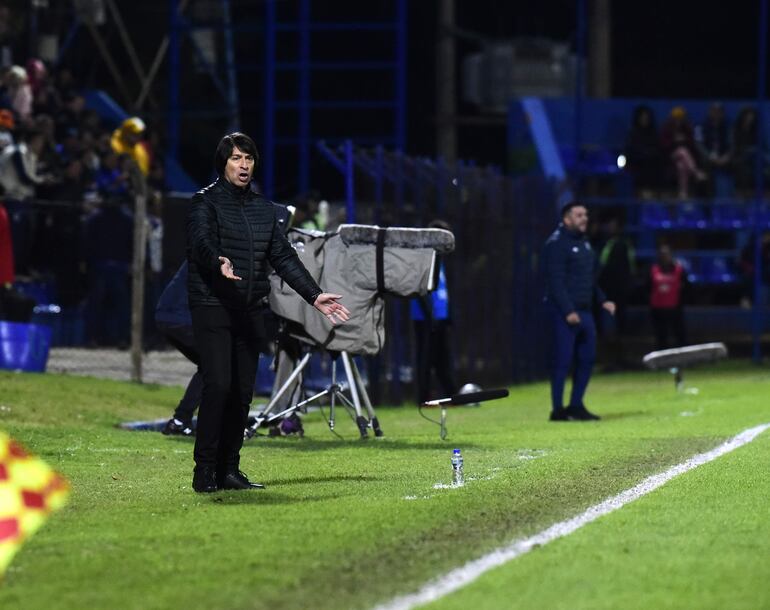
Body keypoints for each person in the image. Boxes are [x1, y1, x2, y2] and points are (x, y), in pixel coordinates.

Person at [186, 132, 349, 493]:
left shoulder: (263, 209)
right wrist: (217, 262)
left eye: (249, 158)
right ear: (223, 163)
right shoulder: (204, 203)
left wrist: (314, 295)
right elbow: (200, 242)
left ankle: (229, 469)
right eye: (236, 158)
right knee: (219, 385)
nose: (244, 165)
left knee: (243, 392)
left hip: (250, 309)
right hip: (213, 305)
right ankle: (205, 471)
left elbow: (284, 258)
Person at [542, 202, 615, 421]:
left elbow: (588, 280)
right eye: (579, 215)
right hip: (564, 313)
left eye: (586, 214)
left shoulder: (584, 243)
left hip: (586, 312)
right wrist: (567, 311)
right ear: (567, 219)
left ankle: (576, 405)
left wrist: (602, 300)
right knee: (562, 361)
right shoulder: (556, 244)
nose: (584, 218)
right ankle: (557, 409)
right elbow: (555, 282)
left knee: (587, 359)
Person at [410, 220, 457, 404]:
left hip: (440, 318)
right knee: (426, 360)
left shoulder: (440, 259)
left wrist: (447, 316)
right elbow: (421, 291)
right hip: (425, 319)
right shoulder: (423, 258)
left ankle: (451, 394)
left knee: (442, 359)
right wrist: (430, 316)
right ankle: (424, 398)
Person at [660, 106, 706, 199]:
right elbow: (663, 146)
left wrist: (684, 139)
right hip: (670, 156)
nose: (678, 120)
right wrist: (674, 140)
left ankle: (683, 193)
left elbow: (692, 145)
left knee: (681, 165)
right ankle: (696, 172)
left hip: (684, 160)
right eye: (676, 118)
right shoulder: (667, 128)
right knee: (682, 151)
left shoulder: (687, 129)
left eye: (680, 118)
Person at [649, 244, 688, 350]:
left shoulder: (679, 270)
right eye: (662, 254)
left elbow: (686, 287)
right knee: (661, 335)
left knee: (679, 334)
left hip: (674, 308)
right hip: (658, 309)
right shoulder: (653, 270)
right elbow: (647, 287)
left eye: (666, 254)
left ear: (671, 255)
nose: (664, 257)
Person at [624, 105, 661, 195]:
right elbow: (630, 151)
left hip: (651, 163)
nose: (644, 120)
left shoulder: (653, 133)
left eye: (646, 118)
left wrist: (649, 154)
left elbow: (657, 150)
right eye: (642, 118)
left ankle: (653, 195)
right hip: (637, 164)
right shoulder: (633, 134)